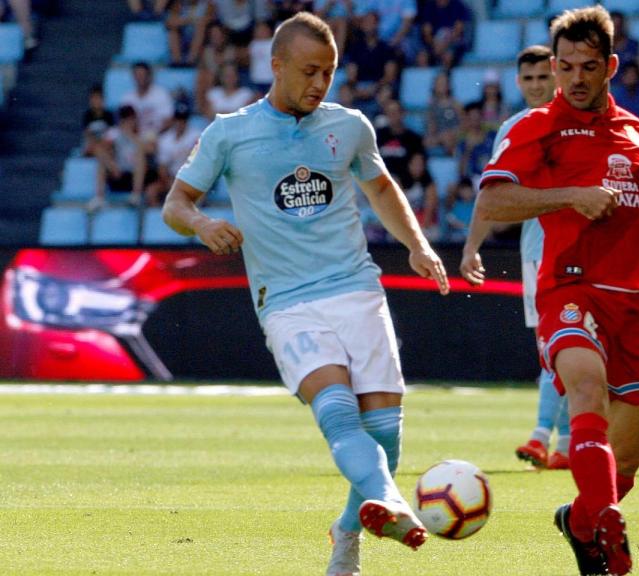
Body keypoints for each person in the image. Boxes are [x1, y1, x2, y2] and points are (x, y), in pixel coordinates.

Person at [161, 13, 449, 576]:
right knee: (337, 412)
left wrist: (417, 245)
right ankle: (391, 503)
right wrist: (202, 224)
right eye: (310, 71)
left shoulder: (351, 127)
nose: (320, 84)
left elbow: (382, 188)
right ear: (277, 65)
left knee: (385, 437)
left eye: (330, 73)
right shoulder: (230, 132)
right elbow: (176, 203)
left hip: (357, 289)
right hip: (287, 301)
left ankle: (347, 531)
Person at [476, 8, 639, 575]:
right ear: (553, 66)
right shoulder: (535, 128)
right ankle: (607, 527)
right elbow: (492, 203)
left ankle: (579, 520)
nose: (575, 78)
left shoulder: (636, 131)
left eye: (589, 67)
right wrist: (570, 194)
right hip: (567, 287)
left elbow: (637, 215)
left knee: (629, 455)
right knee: (584, 387)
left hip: (633, 301)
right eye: (566, 66)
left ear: (611, 67)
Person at [459, 44, 571, 471]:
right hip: (536, 251)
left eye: (544, 77)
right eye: (529, 79)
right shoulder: (513, 127)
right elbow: (493, 191)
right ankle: (565, 445)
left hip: (577, 251)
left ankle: (545, 436)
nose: (538, 85)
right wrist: (472, 246)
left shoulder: (577, 123)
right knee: (552, 349)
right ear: (519, 83)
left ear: (558, 76)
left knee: (563, 348)